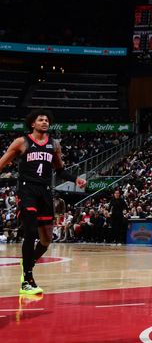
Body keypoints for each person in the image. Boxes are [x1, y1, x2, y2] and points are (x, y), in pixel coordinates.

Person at [0, 110, 87, 294]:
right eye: (41, 119)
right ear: (32, 123)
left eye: (47, 119)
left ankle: (28, 261)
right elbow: (2, 163)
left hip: (45, 192)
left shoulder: (54, 145)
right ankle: (27, 280)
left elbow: (60, 171)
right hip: (27, 189)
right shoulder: (21, 142)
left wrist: (75, 179)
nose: (45, 121)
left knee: (46, 240)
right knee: (30, 231)